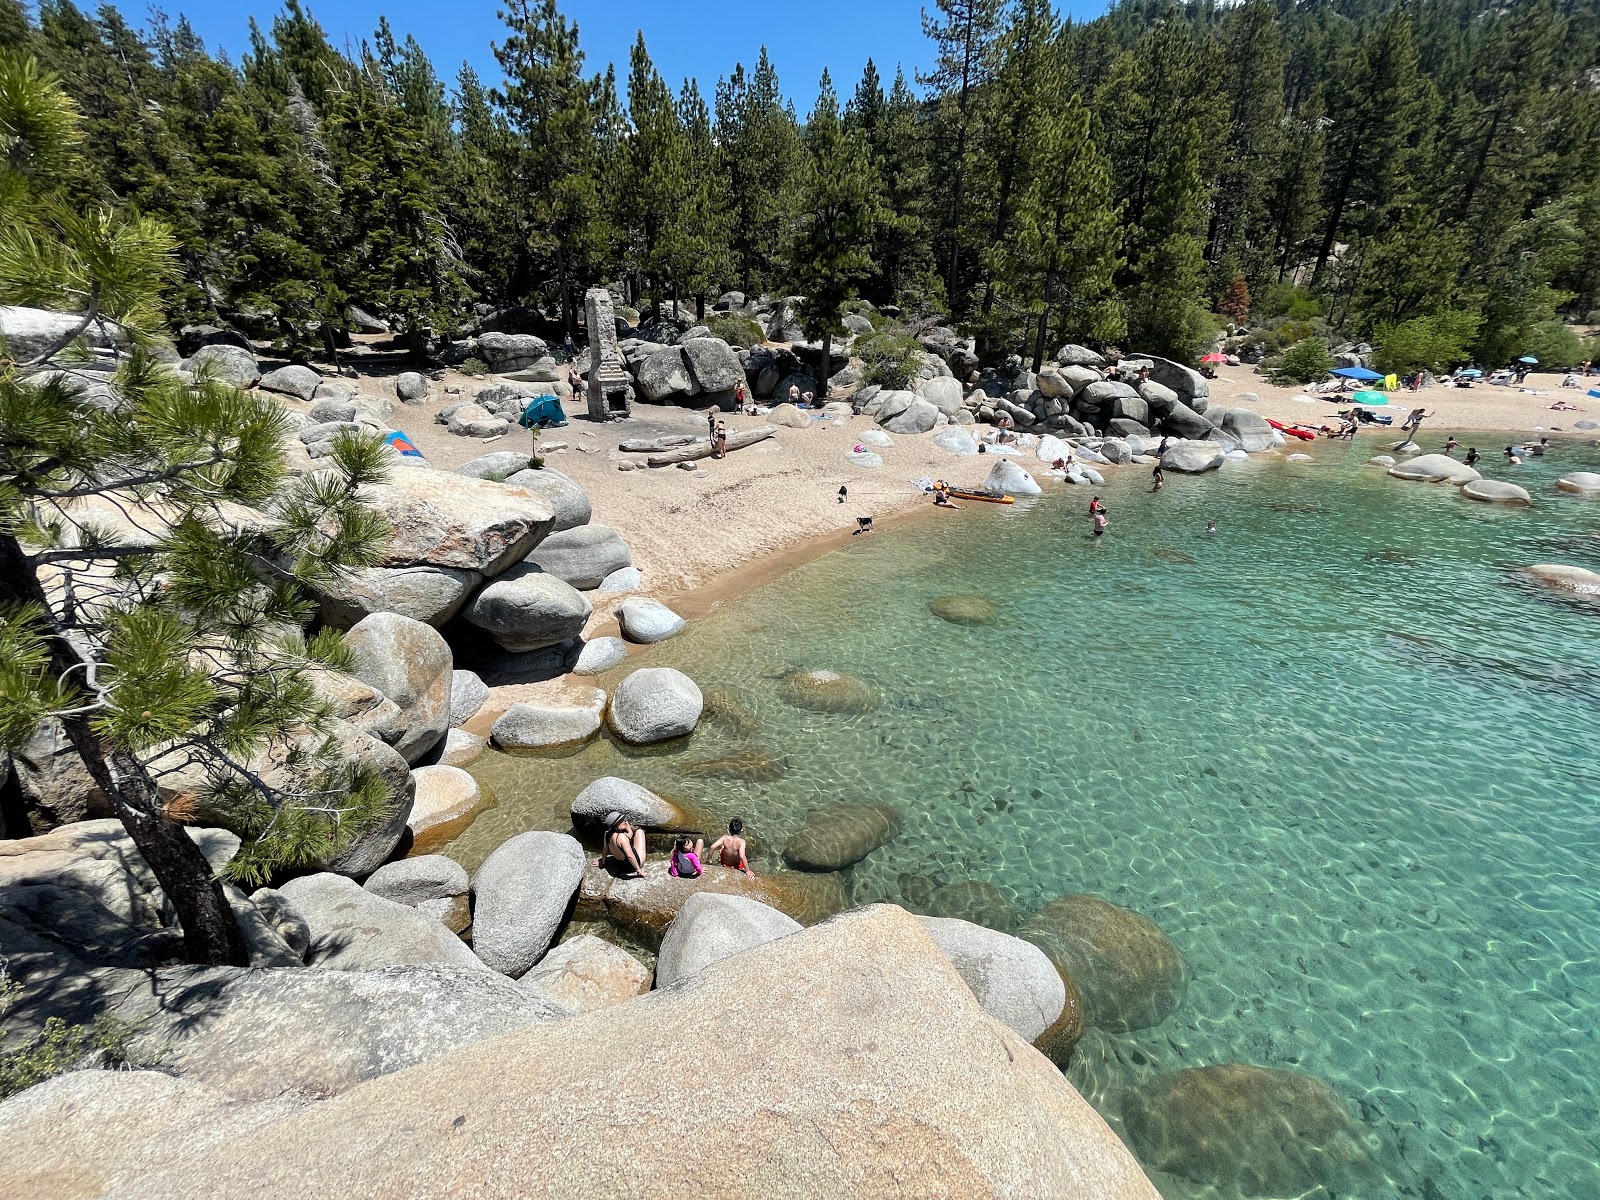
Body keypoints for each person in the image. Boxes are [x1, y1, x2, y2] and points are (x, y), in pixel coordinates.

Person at [598, 814, 646, 878]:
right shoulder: (621, 837)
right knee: (640, 831)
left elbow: (605, 849)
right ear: (616, 826)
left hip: (620, 865)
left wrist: (603, 862)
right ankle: (637, 866)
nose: (624, 822)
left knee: (629, 843)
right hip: (631, 867)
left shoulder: (607, 834)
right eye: (621, 821)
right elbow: (630, 856)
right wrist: (638, 869)